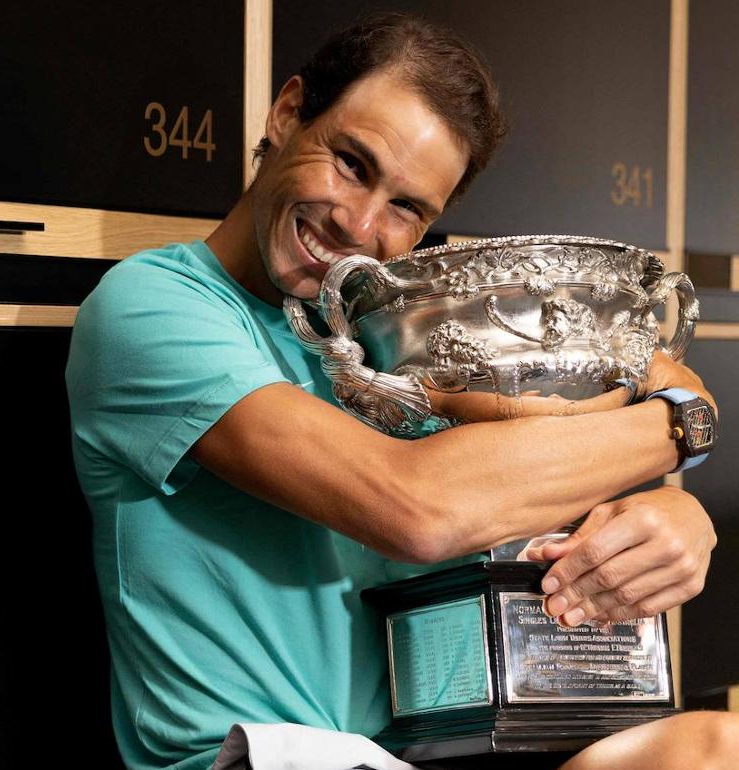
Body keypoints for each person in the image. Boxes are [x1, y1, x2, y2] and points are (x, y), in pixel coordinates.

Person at [65, 13, 734, 770]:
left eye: (407, 208)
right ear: (288, 115)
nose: (359, 224)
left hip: (414, 756)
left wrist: (673, 516)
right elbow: (417, 510)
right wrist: (681, 432)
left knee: (715, 747)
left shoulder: (397, 337)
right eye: (351, 163)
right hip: (262, 760)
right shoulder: (153, 308)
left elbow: (646, 383)